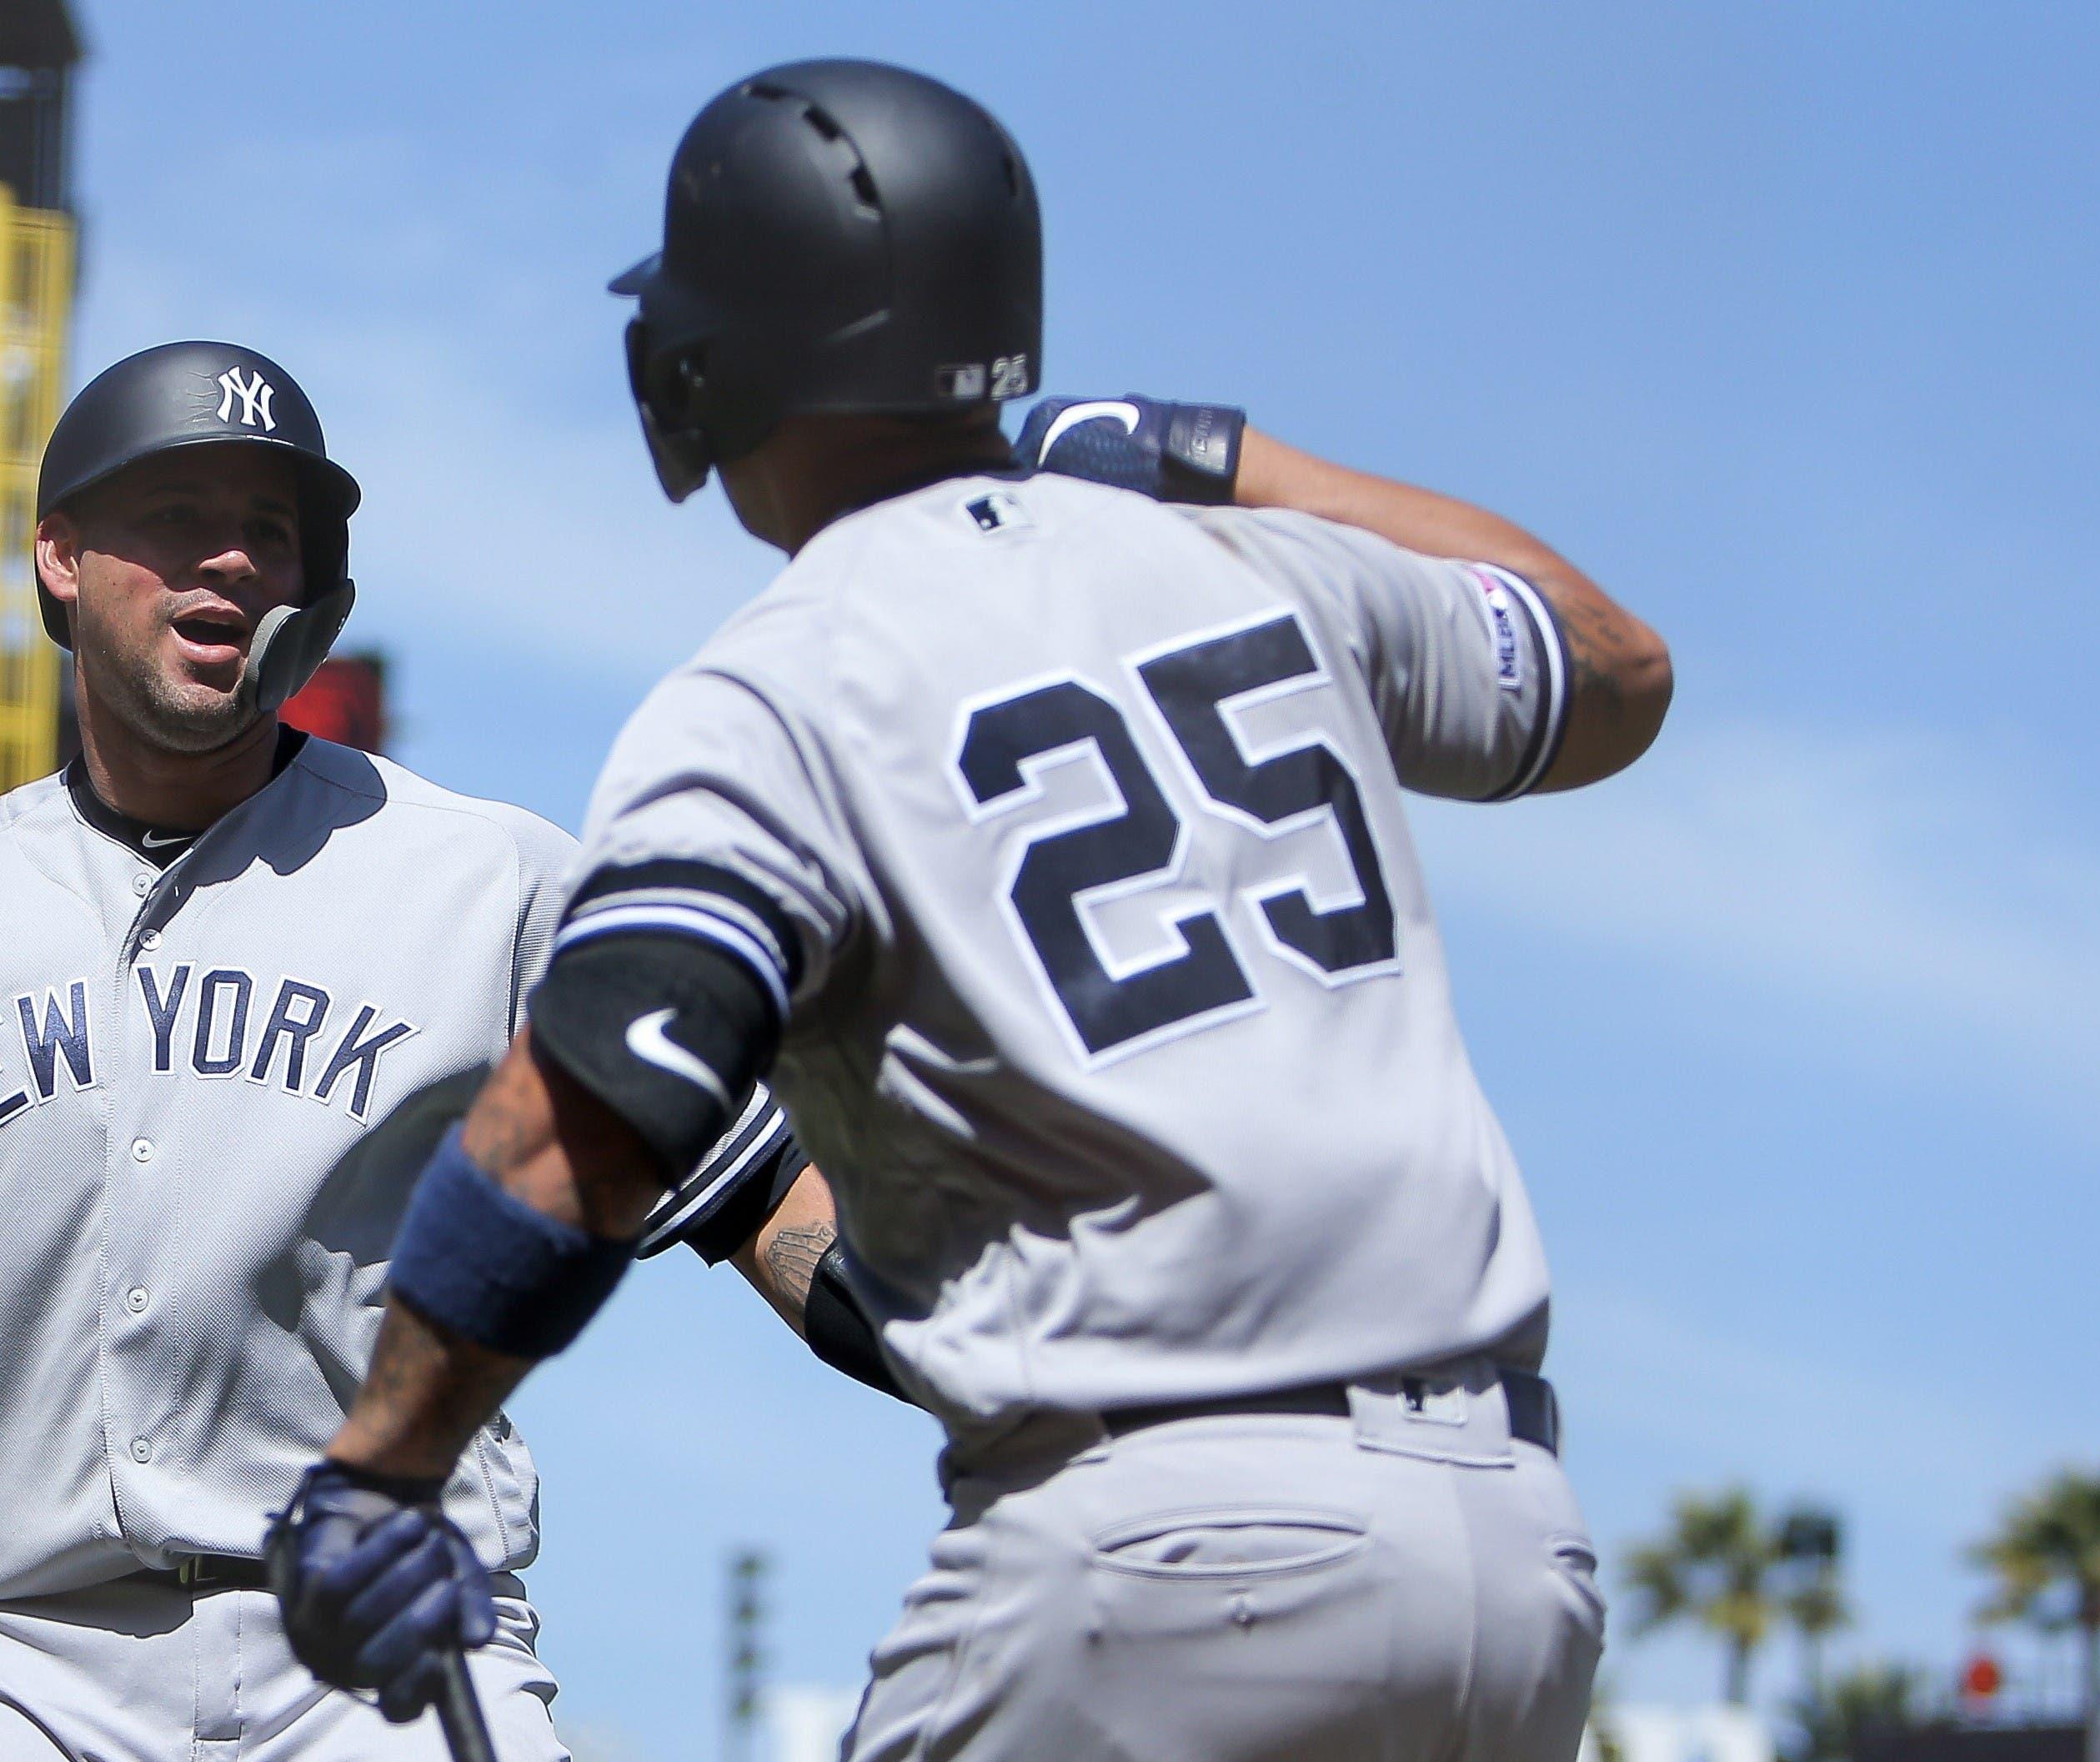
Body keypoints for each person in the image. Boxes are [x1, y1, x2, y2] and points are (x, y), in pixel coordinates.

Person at [267, 59, 1675, 1762]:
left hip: (1157, 1554)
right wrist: (1215, 457)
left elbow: (605, 1098)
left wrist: (381, 1465)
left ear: (705, 368)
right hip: (1503, 1552)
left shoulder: (783, 686)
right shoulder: (1266, 573)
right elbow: (1611, 667)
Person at [0, 340, 824, 1761]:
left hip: (385, 1663)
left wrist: (1029, 1396)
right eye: (182, 517)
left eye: (272, 532)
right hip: (36, 1673)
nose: (236, 561)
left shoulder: (487, 879)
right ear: (60, 557)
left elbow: (765, 1196)